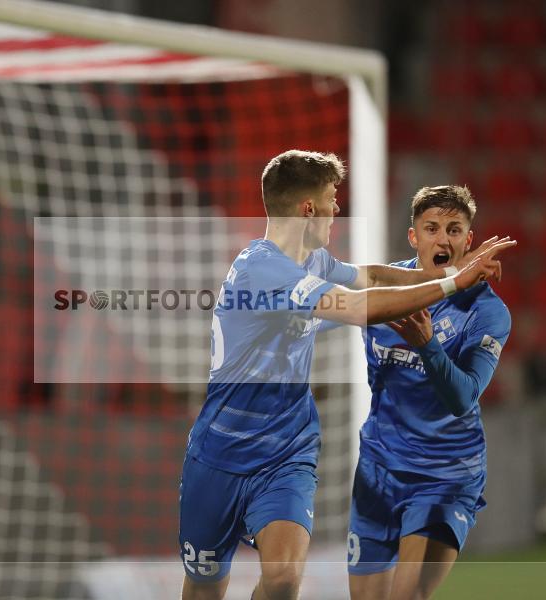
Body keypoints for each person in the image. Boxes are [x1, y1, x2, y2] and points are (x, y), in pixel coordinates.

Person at [178, 151, 515, 600]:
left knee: (281, 579)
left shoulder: (313, 261)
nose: (338, 209)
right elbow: (359, 307)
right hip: (221, 451)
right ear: (308, 209)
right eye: (332, 199)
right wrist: (455, 282)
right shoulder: (260, 271)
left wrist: (453, 272)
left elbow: (372, 277)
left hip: (288, 451)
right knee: (204, 589)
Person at [346, 185, 512, 600]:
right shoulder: (388, 289)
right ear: (413, 236)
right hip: (378, 469)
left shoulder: (487, 312)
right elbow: (334, 289)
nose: (443, 239)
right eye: (432, 228)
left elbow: (463, 397)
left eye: (454, 230)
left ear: (469, 240)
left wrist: (427, 345)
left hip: (444, 474)